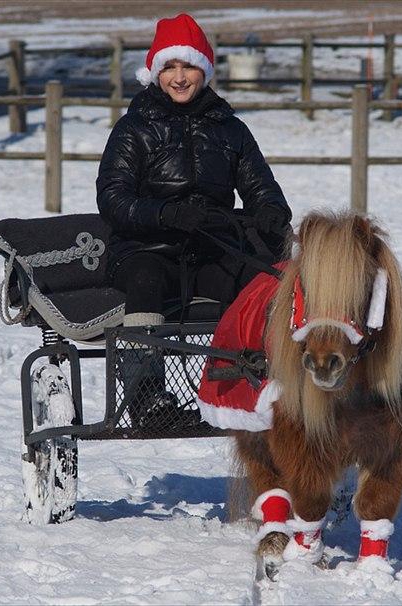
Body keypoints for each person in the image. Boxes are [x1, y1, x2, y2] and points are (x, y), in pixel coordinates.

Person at [96, 13, 292, 426]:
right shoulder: (133, 129)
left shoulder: (231, 130)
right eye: (170, 67)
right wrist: (167, 213)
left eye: (189, 66)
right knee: (145, 281)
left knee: (261, 284)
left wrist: (271, 214)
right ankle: (146, 397)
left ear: (204, 69)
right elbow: (113, 198)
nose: (180, 77)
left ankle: (248, 385)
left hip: (209, 248)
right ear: (155, 72)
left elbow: (261, 189)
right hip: (145, 248)